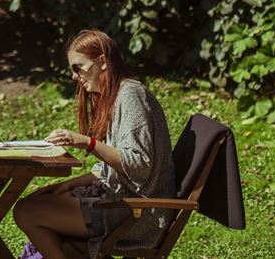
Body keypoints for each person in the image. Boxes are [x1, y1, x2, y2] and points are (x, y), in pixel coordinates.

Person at [13, 29, 176, 259]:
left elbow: (139, 164)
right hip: (117, 202)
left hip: (136, 213)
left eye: (78, 67)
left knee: (27, 212)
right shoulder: (116, 96)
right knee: (31, 204)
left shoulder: (131, 96)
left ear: (103, 62)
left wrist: (88, 143)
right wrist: (67, 185)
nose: (74, 76)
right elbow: (109, 169)